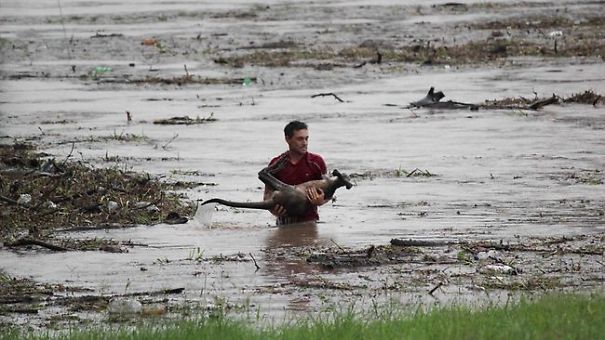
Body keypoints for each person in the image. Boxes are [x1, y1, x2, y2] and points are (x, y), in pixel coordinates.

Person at [263, 120, 328, 225]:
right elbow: (267, 196)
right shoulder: (275, 164)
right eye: (300, 139)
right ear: (287, 139)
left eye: (307, 139)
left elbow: (328, 193)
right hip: (283, 223)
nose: (305, 143)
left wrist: (321, 201)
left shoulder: (317, 162)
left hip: (310, 222)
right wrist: (273, 210)